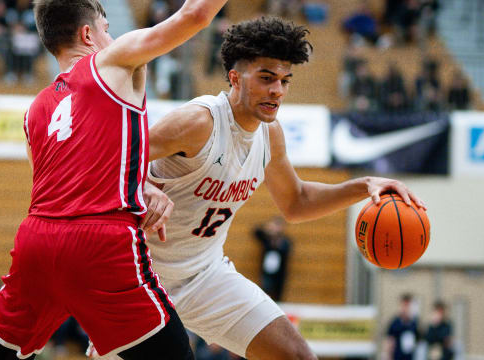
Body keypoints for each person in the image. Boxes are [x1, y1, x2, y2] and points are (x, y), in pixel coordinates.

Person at [145, 17, 426, 360]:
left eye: (284, 80)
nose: (277, 90)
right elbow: (113, 155)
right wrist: (143, 185)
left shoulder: (270, 135)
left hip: (205, 275)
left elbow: (296, 201)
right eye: (266, 78)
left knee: (298, 356)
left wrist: (366, 184)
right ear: (235, 78)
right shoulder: (198, 121)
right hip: (140, 276)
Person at [0, 1, 228, 359]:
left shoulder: (35, 110)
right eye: (106, 28)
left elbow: (73, 173)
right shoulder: (112, 61)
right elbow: (196, 15)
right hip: (99, 241)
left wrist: (139, 183)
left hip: (36, 240)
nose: (111, 37)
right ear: (87, 34)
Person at [253, 216, 292, 301]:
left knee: (278, 292)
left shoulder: (284, 240)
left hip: (279, 271)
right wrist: (267, 230)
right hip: (267, 270)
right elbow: (256, 232)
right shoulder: (267, 238)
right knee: (265, 290)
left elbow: (286, 250)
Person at [385, 293, 420, 360]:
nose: (406, 308)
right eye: (404, 305)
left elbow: (418, 341)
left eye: (408, 306)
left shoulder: (414, 323)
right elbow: (390, 341)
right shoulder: (395, 323)